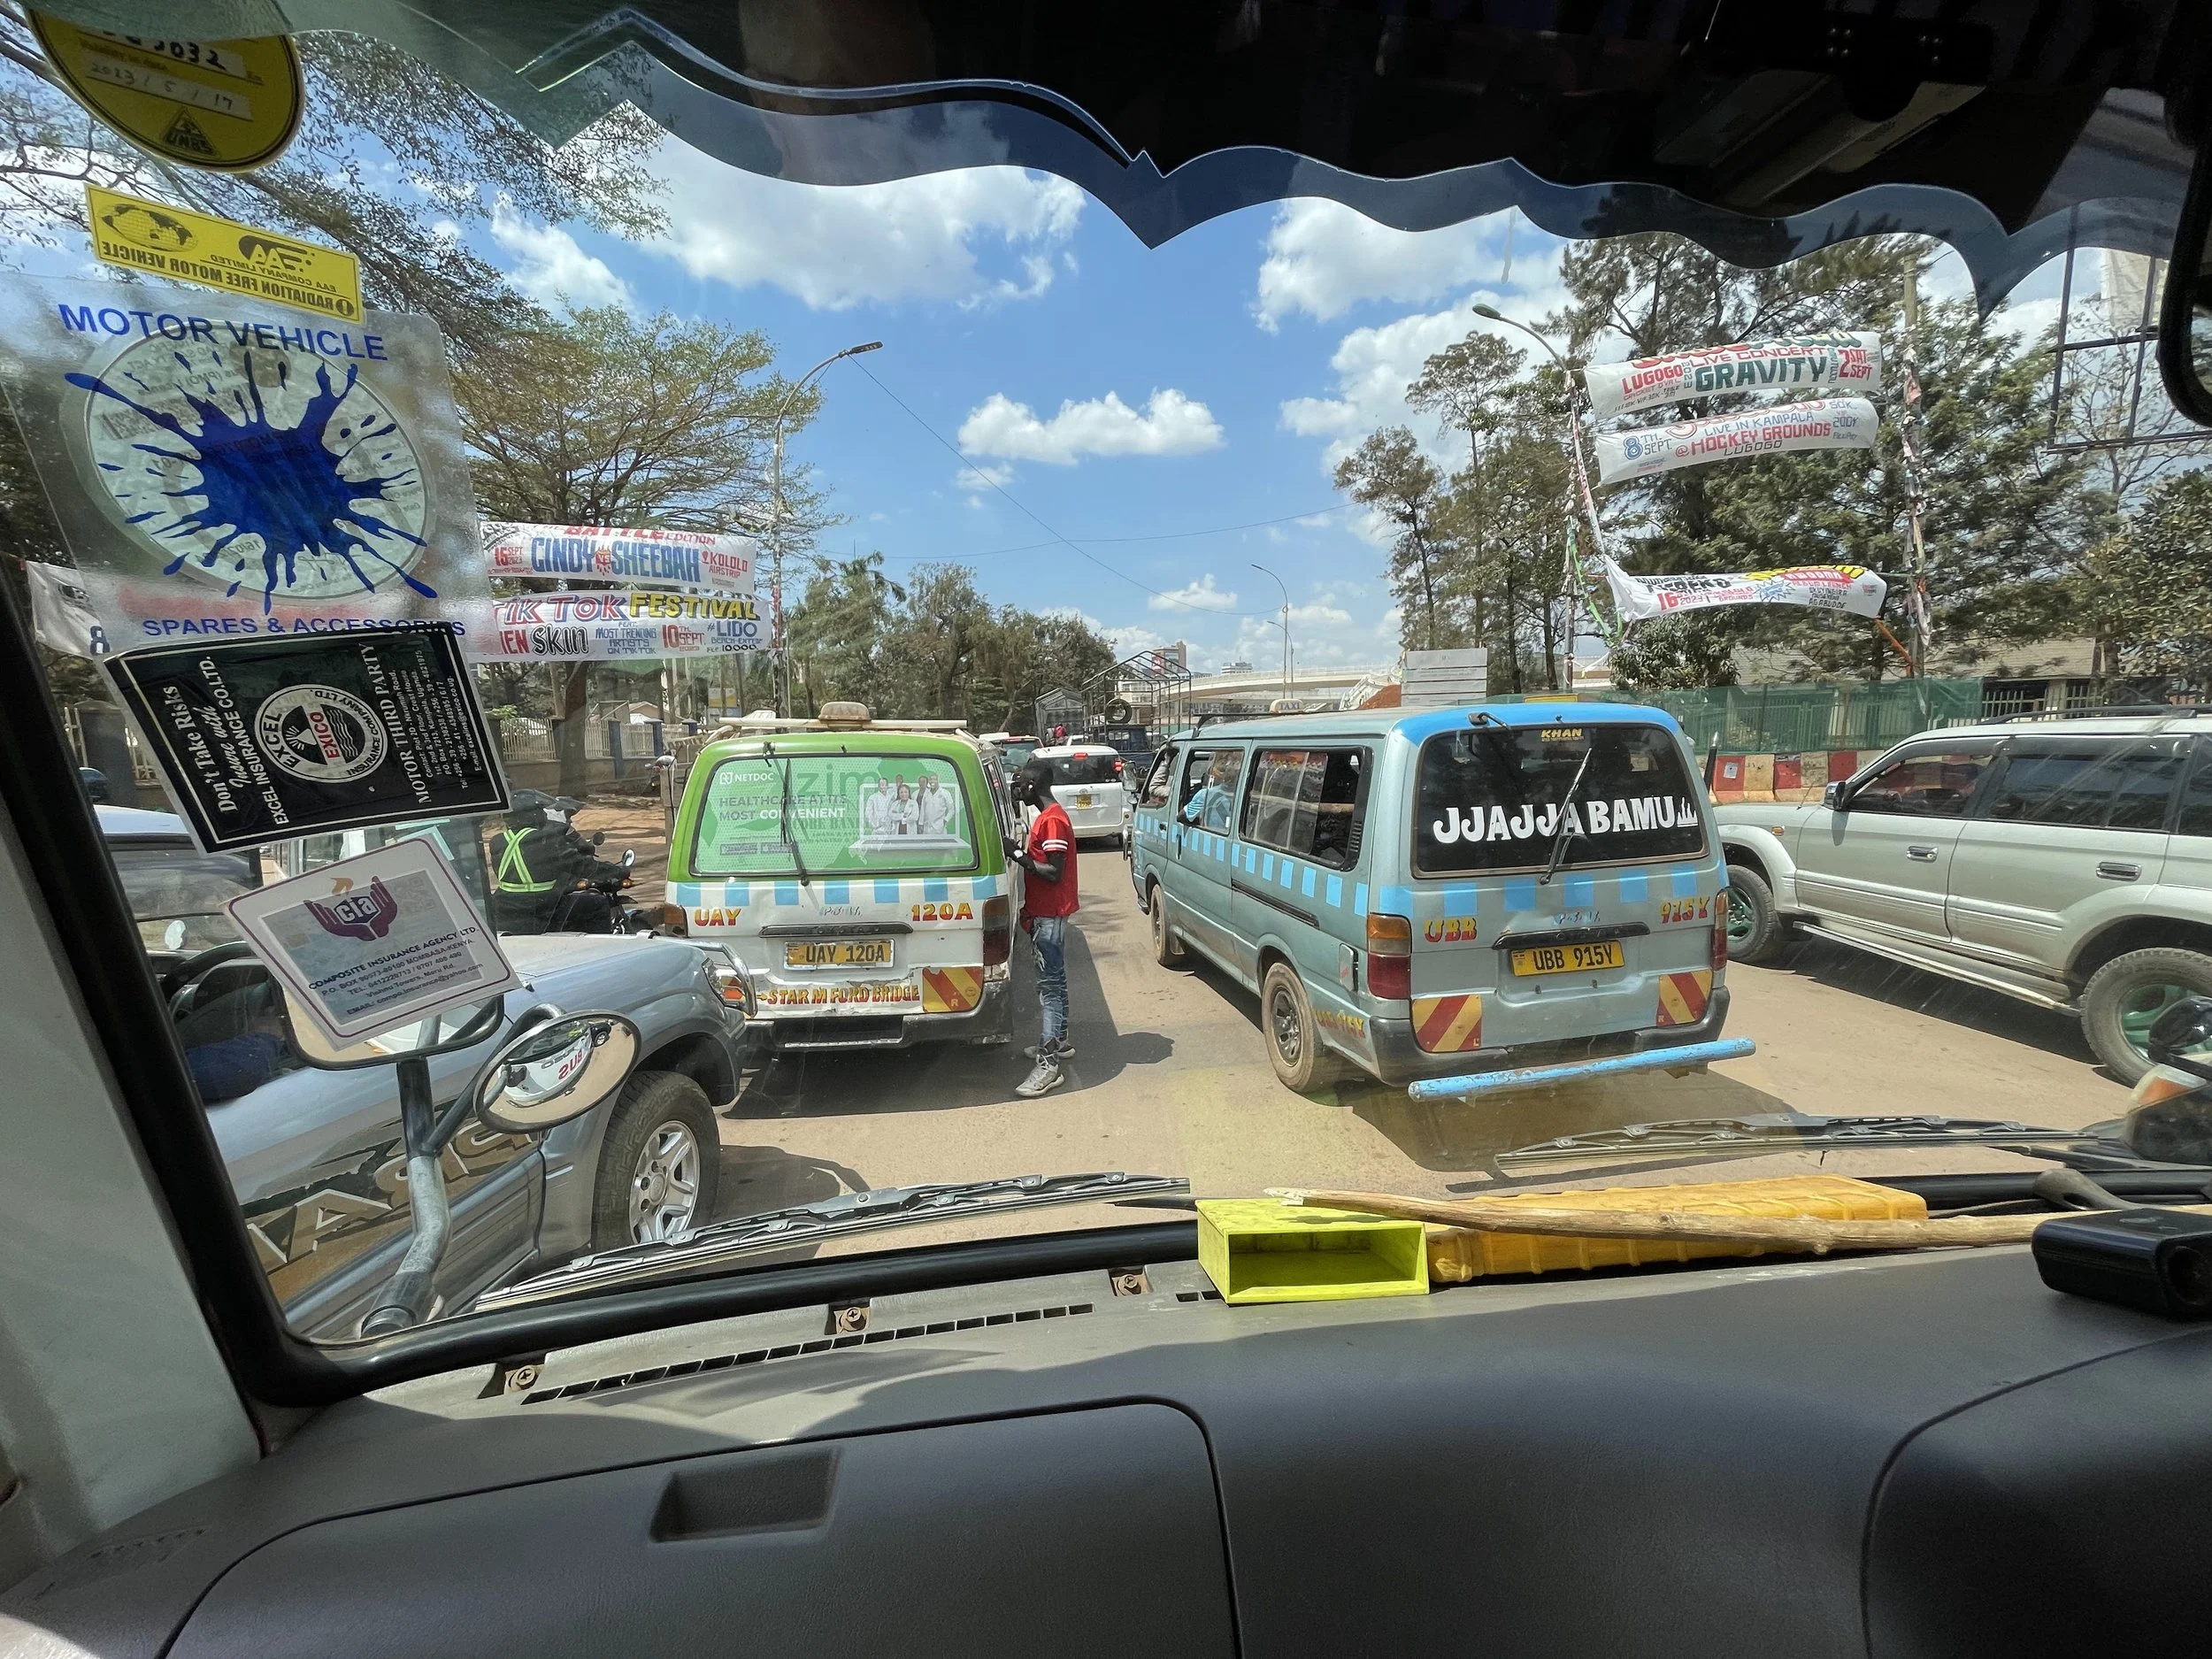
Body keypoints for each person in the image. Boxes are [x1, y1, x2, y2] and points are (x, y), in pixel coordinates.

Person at [1004, 760, 1078, 1098]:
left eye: (1021, 782)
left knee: (1048, 991)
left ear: (1035, 785)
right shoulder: (1048, 817)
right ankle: (1059, 1041)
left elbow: (1053, 872)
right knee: (1057, 982)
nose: (1017, 788)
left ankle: (1048, 1067)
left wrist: (1017, 853)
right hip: (1047, 914)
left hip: (1049, 917)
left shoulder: (1052, 821)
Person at [488, 802, 626, 933]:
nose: (545, 815)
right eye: (540, 811)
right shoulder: (544, 839)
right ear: (533, 815)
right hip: (542, 906)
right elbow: (583, 866)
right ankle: (596, 952)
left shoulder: (497, 841)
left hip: (505, 904)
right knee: (598, 904)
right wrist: (618, 871)